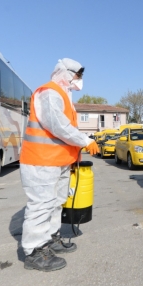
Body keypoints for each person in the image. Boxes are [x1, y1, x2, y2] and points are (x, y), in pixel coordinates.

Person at [20, 58, 100, 272]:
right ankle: (34, 251)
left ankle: (50, 239)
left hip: (58, 161)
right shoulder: (49, 92)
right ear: (65, 73)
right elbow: (58, 126)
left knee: (56, 202)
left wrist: (74, 157)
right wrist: (86, 140)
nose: (79, 80)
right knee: (42, 205)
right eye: (77, 75)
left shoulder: (64, 96)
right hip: (41, 161)